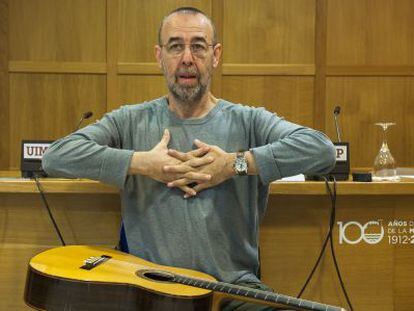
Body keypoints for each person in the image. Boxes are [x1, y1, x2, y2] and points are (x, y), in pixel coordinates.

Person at [42, 7, 336, 311]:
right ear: (159, 56)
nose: (186, 58)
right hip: (151, 293)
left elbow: (321, 150)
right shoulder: (130, 121)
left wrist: (234, 165)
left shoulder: (248, 121)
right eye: (175, 46)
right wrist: (142, 164)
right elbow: (56, 157)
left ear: (216, 55)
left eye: (198, 46)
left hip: (231, 293)